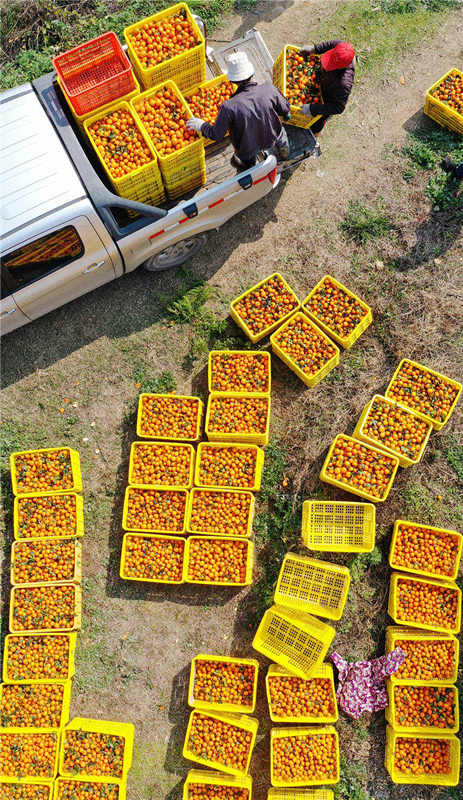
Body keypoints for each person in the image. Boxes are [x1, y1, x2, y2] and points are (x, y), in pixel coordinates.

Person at [186, 51, 290, 169]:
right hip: (273, 135)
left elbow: (216, 134)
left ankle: (249, 167)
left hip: (248, 147)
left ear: (233, 81)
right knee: (281, 137)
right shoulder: (268, 88)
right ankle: (284, 151)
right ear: (251, 73)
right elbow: (285, 108)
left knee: (243, 159)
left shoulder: (229, 106)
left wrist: (201, 125)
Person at [299, 40, 355, 134]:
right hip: (322, 83)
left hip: (327, 98)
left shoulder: (343, 84)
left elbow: (338, 107)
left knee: (317, 122)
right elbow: (328, 44)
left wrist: (312, 109)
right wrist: (314, 49)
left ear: (341, 68)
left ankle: (314, 132)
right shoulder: (341, 48)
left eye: (332, 65)